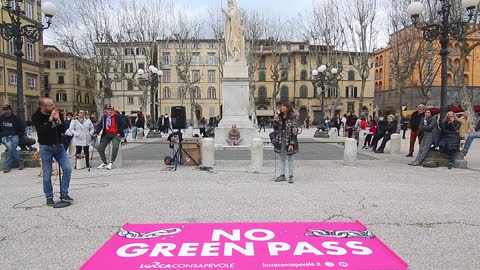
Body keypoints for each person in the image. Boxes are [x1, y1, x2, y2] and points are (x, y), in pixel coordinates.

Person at [31, 98, 73, 206]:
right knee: (47, 174)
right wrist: (50, 120)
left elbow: (63, 130)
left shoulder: (57, 113)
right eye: (50, 105)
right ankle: (49, 196)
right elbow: (42, 132)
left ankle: (64, 193)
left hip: (59, 145)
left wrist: (58, 120)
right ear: (42, 107)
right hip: (46, 147)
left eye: (53, 104)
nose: (53, 107)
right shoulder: (36, 116)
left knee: (67, 168)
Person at [92, 105, 125, 170]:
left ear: (113, 110)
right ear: (106, 111)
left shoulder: (117, 116)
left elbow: (124, 125)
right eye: (108, 110)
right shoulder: (104, 117)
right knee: (100, 148)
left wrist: (119, 132)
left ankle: (111, 162)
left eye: (111, 110)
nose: (109, 111)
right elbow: (99, 126)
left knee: (115, 146)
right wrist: (95, 133)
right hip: (106, 134)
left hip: (115, 134)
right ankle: (104, 162)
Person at [273, 102, 299, 184]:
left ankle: (291, 176)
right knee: (282, 158)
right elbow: (275, 128)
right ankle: (282, 175)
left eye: (283, 106)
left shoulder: (293, 117)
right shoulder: (280, 116)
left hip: (290, 140)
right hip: (281, 140)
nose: (281, 107)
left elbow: (295, 131)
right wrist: (276, 121)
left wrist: (292, 143)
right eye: (281, 106)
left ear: (287, 108)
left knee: (290, 158)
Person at [0, 104, 25, 173]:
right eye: (4, 110)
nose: (5, 111)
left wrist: (19, 134)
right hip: (5, 136)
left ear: (10, 110)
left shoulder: (16, 118)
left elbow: (22, 127)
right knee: (11, 146)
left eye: (7, 110)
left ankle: (8, 166)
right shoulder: (1, 118)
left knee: (11, 148)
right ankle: (19, 161)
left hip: (14, 136)